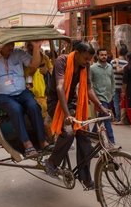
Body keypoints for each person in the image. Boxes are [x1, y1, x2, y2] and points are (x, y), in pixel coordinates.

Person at [45, 42, 108, 189]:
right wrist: (67, 114)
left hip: (73, 103)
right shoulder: (62, 61)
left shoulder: (84, 65)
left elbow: (89, 88)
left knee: (84, 136)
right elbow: (60, 86)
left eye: (90, 60)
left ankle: (85, 178)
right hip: (56, 103)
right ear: (77, 53)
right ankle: (52, 163)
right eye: (86, 58)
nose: (88, 62)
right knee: (68, 133)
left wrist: (100, 106)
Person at [0, 41, 50, 158]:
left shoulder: (18, 53)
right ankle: (27, 143)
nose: (11, 46)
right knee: (16, 108)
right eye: (8, 44)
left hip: (21, 91)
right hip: (1, 94)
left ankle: (42, 140)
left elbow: (33, 64)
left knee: (34, 106)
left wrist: (36, 47)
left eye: (12, 44)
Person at [24, 41, 54, 141]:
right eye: (29, 46)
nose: (31, 48)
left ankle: (53, 137)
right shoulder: (24, 59)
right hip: (31, 94)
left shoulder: (45, 58)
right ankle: (46, 138)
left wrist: (46, 73)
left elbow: (52, 74)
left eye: (34, 46)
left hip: (46, 93)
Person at [90, 48, 115, 143]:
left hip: (109, 96)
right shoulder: (93, 68)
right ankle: (112, 142)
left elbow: (113, 81)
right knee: (107, 118)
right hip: (99, 97)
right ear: (97, 56)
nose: (104, 56)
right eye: (102, 55)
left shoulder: (110, 67)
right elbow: (89, 83)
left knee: (101, 118)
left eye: (105, 55)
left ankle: (92, 135)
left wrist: (112, 93)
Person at [110, 46, 128, 124]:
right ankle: (123, 118)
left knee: (116, 102)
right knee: (123, 102)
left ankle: (118, 118)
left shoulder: (112, 62)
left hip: (114, 85)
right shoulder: (126, 63)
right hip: (123, 86)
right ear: (126, 54)